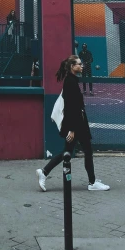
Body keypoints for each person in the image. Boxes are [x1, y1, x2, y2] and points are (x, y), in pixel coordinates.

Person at [36, 56, 110, 192]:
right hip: (77, 125)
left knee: (70, 151)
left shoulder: (72, 81)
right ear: (72, 66)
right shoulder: (70, 82)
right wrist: (71, 129)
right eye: (79, 64)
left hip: (77, 124)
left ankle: (44, 172)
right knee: (84, 151)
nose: (82, 66)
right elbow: (70, 108)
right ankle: (92, 183)